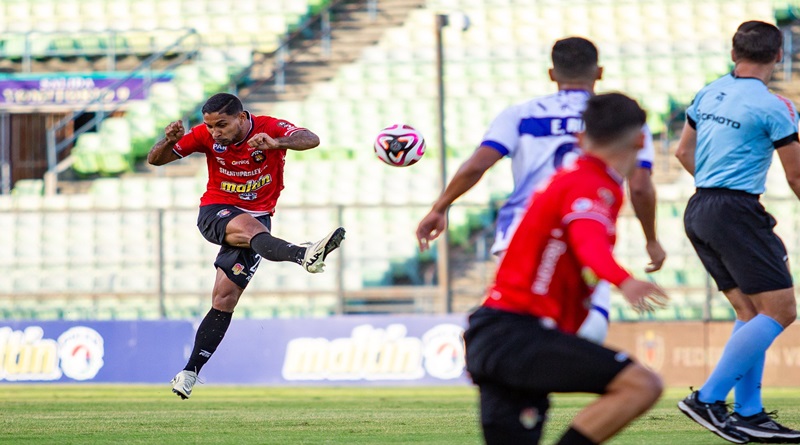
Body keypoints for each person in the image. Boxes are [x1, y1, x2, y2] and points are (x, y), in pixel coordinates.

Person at [416, 36, 666, 344]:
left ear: (552, 73)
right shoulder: (620, 121)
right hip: (585, 227)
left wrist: (441, 207)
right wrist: (651, 240)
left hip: (523, 231)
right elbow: (640, 186)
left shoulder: (520, 115)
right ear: (598, 72)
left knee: (523, 323)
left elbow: (477, 165)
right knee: (587, 327)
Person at [464, 92, 667, 445]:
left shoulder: (576, 176)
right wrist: (624, 281)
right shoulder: (592, 184)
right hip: (519, 334)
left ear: (580, 137)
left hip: (499, 333)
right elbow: (589, 243)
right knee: (642, 384)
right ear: (640, 139)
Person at [147, 93, 345, 399]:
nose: (215, 133)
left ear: (242, 118)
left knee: (224, 299)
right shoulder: (205, 136)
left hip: (258, 223)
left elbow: (311, 139)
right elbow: (155, 160)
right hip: (216, 211)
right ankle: (303, 254)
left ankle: (189, 372)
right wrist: (167, 141)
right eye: (210, 126)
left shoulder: (268, 127)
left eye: (221, 125)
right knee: (251, 227)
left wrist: (277, 144)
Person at [674, 20, 800, 444]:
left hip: (700, 207)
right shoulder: (775, 106)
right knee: (781, 310)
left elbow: (681, 151)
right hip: (736, 209)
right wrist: (730, 199)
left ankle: (749, 414)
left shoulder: (708, 92)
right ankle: (707, 399)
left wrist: (713, 189)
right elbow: (797, 175)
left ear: (733, 55)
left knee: (750, 313)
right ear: (778, 57)